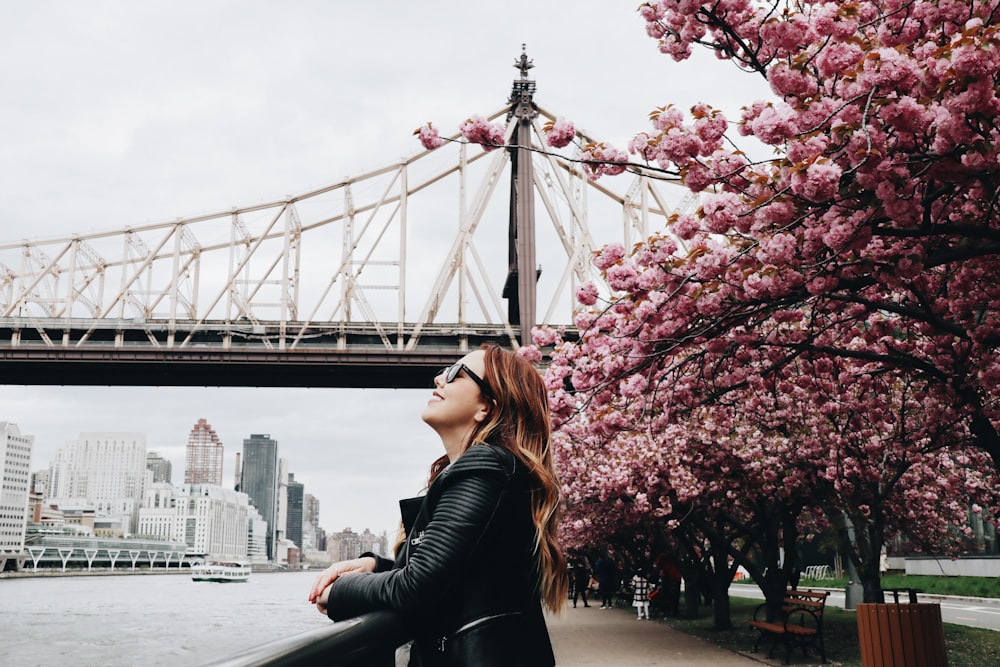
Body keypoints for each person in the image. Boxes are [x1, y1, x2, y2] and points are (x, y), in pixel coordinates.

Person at [308, 343, 567, 666]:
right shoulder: (499, 471)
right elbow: (468, 576)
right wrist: (379, 566)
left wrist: (341, 591)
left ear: (486, 407)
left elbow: (418, 588)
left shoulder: (485, 468)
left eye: (457, 373)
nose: (438, 379)